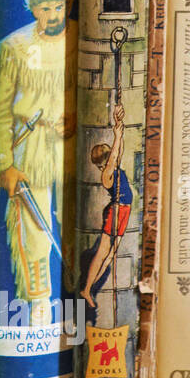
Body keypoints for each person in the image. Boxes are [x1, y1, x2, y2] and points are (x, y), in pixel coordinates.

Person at [0, 0, 74, 324]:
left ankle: (76, 296)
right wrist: (5, 163)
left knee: (71, 219)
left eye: (59, 6)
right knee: (34, 229)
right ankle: (39, 306)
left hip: (69, 145)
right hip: (30, 146)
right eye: (46, 8)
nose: (54, 15)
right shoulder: (14, 47)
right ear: (34, 9)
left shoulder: (79, 38)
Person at [80, 103, 131, 309]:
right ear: (103, 160)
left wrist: (120, 127)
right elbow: (114, 158)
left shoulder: (113, 167)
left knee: (110, 255)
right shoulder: (106, 174)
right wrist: (117, 136)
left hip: (124, 211)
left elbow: (117, 155)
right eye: (109, 155)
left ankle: (89, 290)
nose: (113, 157)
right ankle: (86, 288)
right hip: (116, 210)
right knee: (102, 253)